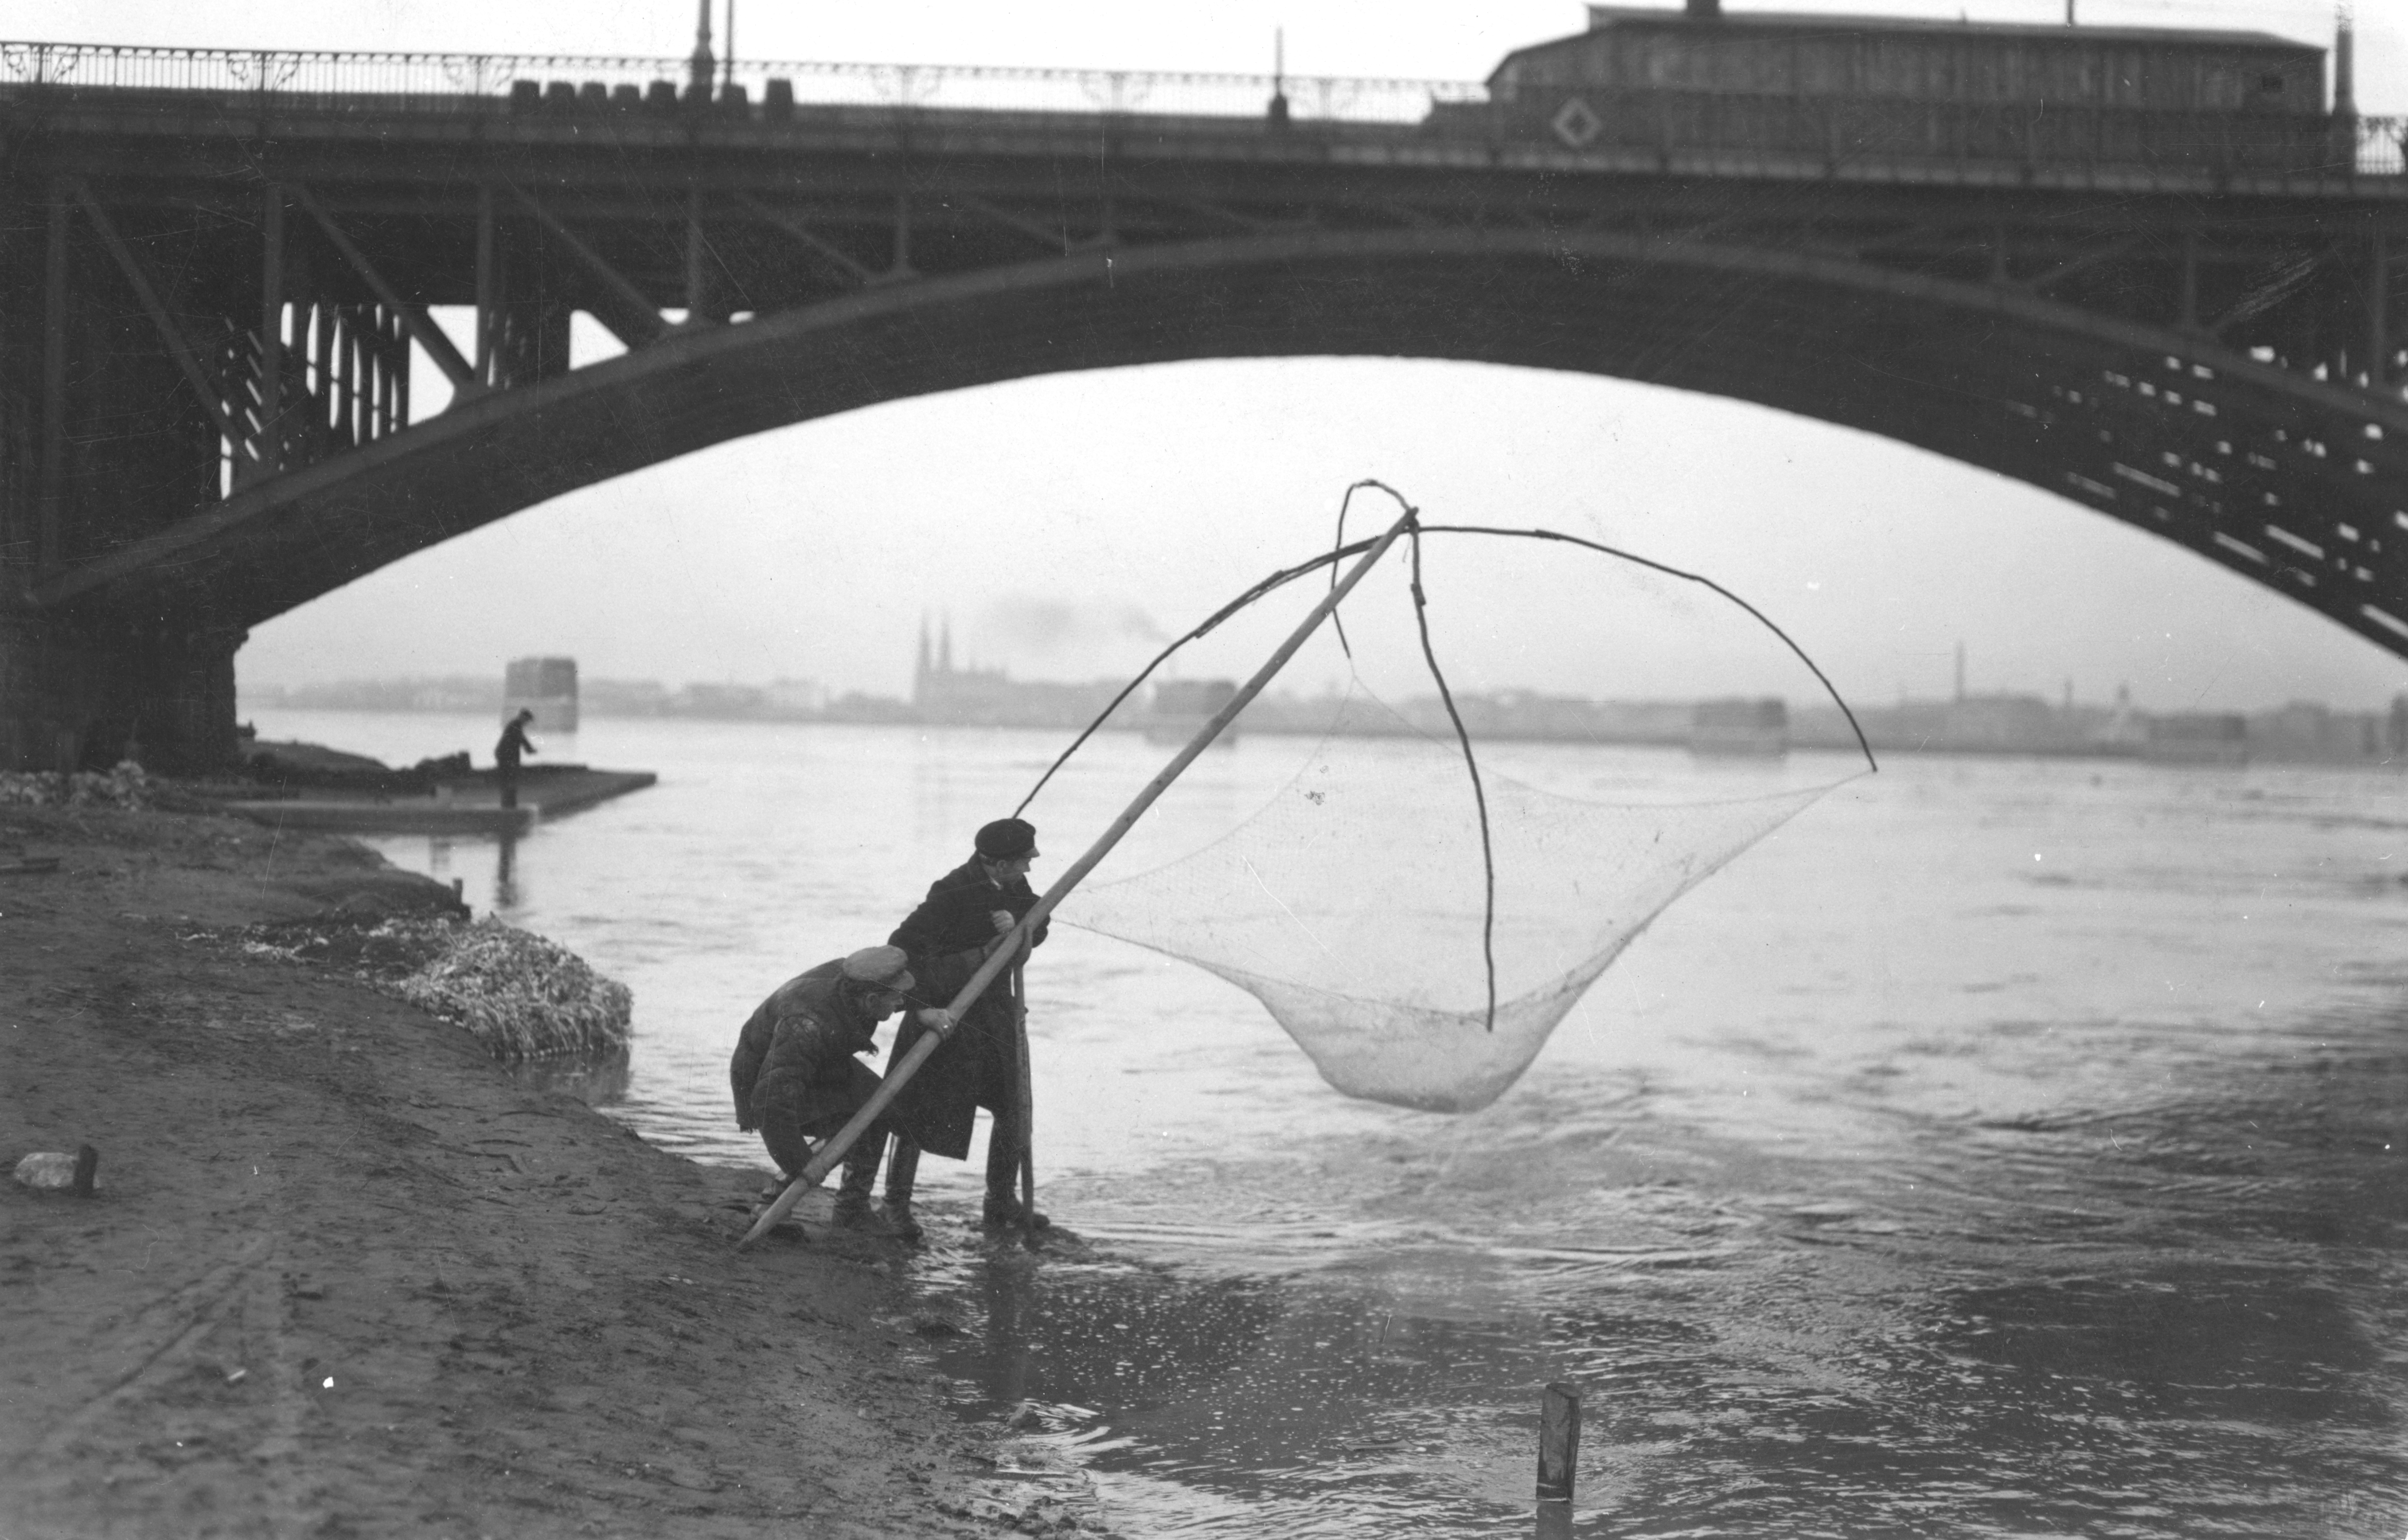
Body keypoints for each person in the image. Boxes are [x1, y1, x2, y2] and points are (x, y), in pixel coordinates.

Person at [882, 816, 1050, 1233]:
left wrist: (1020, 923)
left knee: (1014, 1107)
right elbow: (901, 949)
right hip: (944, 1013)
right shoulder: (950, 892)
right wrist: (921, 1008)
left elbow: (1039, 916)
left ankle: (1000, 1201)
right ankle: (894, 1205)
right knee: (913, 1113)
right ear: (997, 864)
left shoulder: (1010, 885)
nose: (1028, 869)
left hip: (992, 1012)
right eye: (1022, 862)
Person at [729, 945, 952, 1229]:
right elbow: (772, 1099)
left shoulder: (855, 981)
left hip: (818, 1061)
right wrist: (801, 1164)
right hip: (764, 1072)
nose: (901, 1004)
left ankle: (852, 1209)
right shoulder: (809, 1025)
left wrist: (922, 1010)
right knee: (849, 1124)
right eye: (896, 998)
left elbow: (905, 988)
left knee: (879, 1108)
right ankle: (772, 1204)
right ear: (871, 1000)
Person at [493, 709, 537, 810]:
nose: (527, 723)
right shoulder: (515, 725)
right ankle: (508, 807)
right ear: (523, 717)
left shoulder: (516, 725)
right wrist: (529, 749)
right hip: (506, 757)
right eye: (527, 720)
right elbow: (521, 739)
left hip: (507, 756)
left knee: (509, 781)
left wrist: (529, 749)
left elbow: (521, 739)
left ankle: (509, 806)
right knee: (509, 781)